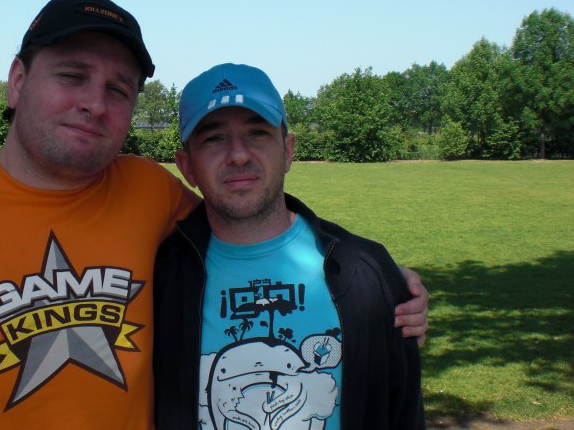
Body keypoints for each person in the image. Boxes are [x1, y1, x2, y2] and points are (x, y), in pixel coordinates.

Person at [0, 0, 428, 429]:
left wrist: (375, 280)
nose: (94, 103)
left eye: (118, 89)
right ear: (17, 81)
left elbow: (248, 216)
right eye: (72, 75)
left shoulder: (150, 192)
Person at [152, 63, 425, 429]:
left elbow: (403, 413)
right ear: (187, 167)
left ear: (288, 150)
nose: (238, 155)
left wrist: (388, 282)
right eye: (214, 139)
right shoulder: (160, 279)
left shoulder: (363, 273)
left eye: (257, 133)